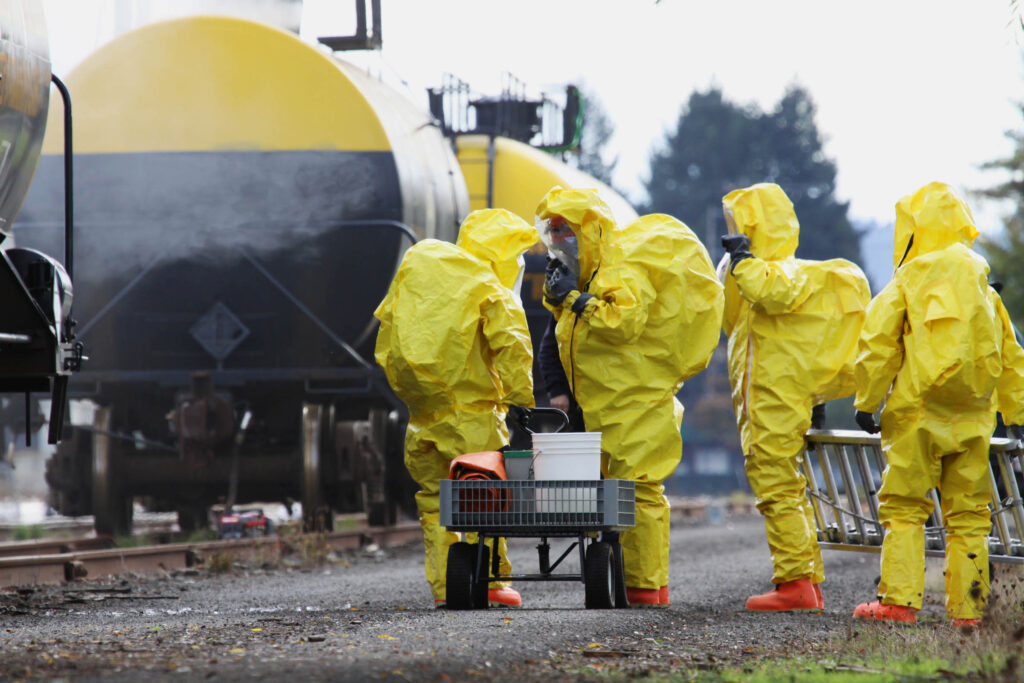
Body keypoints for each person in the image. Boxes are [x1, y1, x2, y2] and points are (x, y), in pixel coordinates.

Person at [539, 186, 724, 607]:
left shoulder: (619, 269)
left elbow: (623, 322)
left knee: (637, 491)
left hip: (636, 401)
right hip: (605, 403)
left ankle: (645, 588)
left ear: (589, 233)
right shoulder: (586, 277)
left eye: (566, 234)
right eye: (553, 235)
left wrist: (572, 298)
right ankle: (632, 584)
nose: (559, 244)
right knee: (613, 493)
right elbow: (560, 340)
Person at [851, 181, 1024, 625]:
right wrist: (1016, 415)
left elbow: (878, 344)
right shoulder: (983, 283)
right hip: (973, 417)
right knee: (969, 516)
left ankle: (898, 603)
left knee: (905, 507)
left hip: (917, 414)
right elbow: (1010, 354)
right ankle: (969, 612)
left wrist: (867, 403)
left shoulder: (910, 277)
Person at [373, 208, 538, 608]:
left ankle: (447, 588)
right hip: (472, 418)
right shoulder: (488, 288)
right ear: (501, 253)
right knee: (489, 499)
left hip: (422, 418)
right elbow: (513, 348)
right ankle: (494, 584)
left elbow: (387, 332)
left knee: (435, 501)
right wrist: (522, 403)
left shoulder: (424, 270)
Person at [719, 183, 871, 611]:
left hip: (773, 404)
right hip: (770, 402)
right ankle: (806, 581)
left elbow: (774, 291)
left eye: (741, 224)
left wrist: (745, 261)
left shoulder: (779, 272)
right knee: (787, 487)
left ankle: (796, 586)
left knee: (778, 489)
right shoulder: (762, 278)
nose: (734, 233)